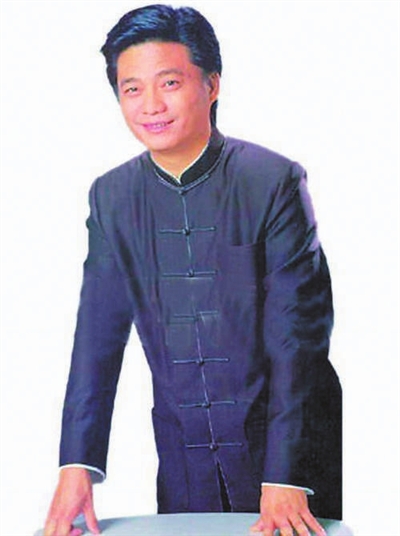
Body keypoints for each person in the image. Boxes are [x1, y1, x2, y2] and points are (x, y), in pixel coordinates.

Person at [44, 4, 342, 536]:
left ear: (211, 84)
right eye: (132, 88)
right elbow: (96, 338)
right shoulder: (112, 197)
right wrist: (77, 467)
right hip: (184, 454)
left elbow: (298, 339)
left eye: (169, 82)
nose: (151, 105)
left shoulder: (272, 181)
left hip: (287, 457)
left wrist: (286, 474)